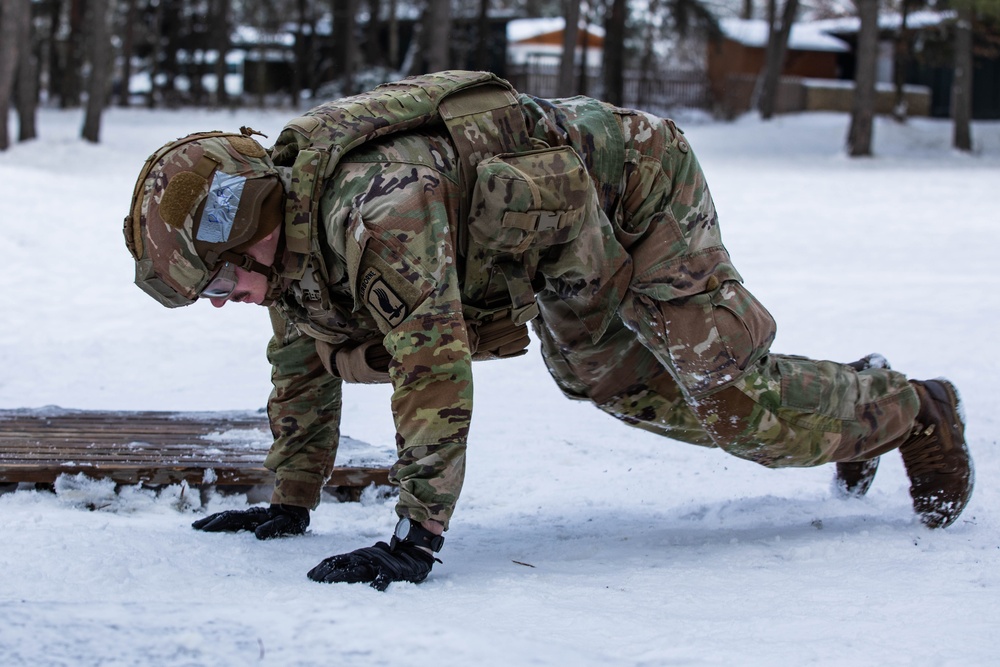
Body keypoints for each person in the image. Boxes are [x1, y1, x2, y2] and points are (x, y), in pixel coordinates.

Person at [124, 71, 973, 591]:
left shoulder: (377, 213)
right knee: (617, 387)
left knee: (725, 396)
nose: (222, 299)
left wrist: (416, 537)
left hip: (637, 185)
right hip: (557, 236)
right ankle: (849, 403)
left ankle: (914, 409)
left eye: (219, 278)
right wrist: (289, 500)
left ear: (251, 225)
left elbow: (434, 368)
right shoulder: (292, 239)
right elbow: (300, 357)